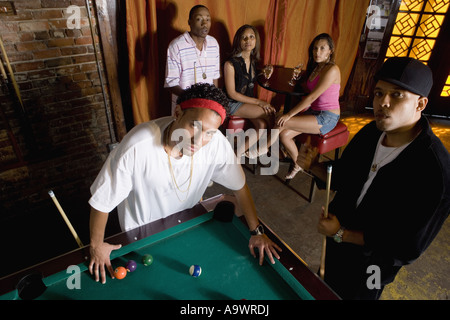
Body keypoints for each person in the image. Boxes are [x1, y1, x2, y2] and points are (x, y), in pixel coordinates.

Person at [88, 83, 281, 284]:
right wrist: (96, 245)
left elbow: (240, 188)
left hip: (186, 226)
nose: (199, 140)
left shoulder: (215, 143)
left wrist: (256, 232)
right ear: (177, 112)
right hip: (142, 237)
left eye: (209, 132)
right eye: (195, 126)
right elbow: (102, 201)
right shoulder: (138, 145)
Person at [317, 57, 450, 299]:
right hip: (335, 244)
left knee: (361, 295)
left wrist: (342, 234)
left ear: (420, 104)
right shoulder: (371, 132)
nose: (382, 103)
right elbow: (344, 177)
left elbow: (407, 247)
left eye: (396, 95)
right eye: (379, 93)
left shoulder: (436, 171)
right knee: (324, 287)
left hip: (374, 265)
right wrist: (314, 166)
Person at [276, 33, 341, 181]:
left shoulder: (332, 69)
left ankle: (261, 148)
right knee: (284, 135)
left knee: (282, 120)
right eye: (315, 49)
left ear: (330, 50)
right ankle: (298, 164)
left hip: (327, 117)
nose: (317, 52)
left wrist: (289, 114)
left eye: (322, 48)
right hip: (314, 111)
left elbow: (312, 97)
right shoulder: (317, 67)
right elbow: (308, 90)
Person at [223, 24, 276, 157]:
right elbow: (232, 93)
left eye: (251, 37)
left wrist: (264, 72)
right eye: (244, 38)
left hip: (246, 102)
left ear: (256, 40)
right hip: (231, 103)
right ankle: (270, 147)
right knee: (270, 113)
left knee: (262, 125)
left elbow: (247, 78)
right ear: (238, 41)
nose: (248, 40)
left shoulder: (252, 61)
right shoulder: (230, 64)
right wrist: (259, 102)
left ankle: (237, 154)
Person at [165, 5, 220, 114]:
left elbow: (214, 77)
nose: (204, 23)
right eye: (199, 19)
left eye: (208, 19)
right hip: (185, 106)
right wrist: (193, 98)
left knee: (208, 131)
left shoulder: (214, 44)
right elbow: (171, 84)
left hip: (208, 106)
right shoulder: (176, 46)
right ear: (189, 22)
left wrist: (214, 100)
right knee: (185, 131)